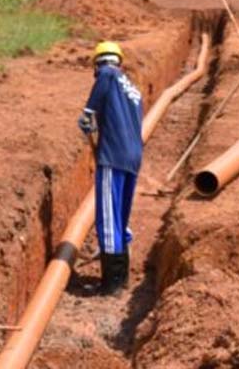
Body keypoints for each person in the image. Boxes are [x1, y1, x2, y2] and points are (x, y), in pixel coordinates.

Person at [77, 41, 143, 295]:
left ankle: (111, 283)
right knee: (121, 215)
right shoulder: (133, 90)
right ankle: (121, 276)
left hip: (112, 156)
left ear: (99, 62)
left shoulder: (108, 73)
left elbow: (105, 76)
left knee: (108, 216)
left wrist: (87, 113)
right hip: (133, 157)